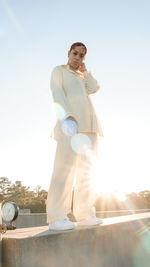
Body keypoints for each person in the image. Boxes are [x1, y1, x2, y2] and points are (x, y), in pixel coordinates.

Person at [46, 42, 104, 230]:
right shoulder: (59, 71)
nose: (77, 57)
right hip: (70, 125)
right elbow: (57, 93)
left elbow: (94, 88)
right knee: (64, 170)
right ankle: (56, 217)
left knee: (87, 172)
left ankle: (84, 214)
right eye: (75, 53)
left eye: (81, 55)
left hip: (90, 127)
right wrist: (66, 116)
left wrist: (85, 71)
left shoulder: (81, 76)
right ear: (68, 53)